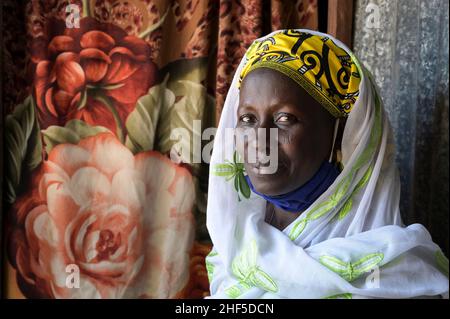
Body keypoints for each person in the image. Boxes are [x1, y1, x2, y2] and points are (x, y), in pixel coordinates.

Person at [205, 29, 449, 299]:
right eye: (248, 119)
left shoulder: (396, 274)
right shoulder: (233, 242)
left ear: (339, 133)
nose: (260, 140)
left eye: (284, 119)